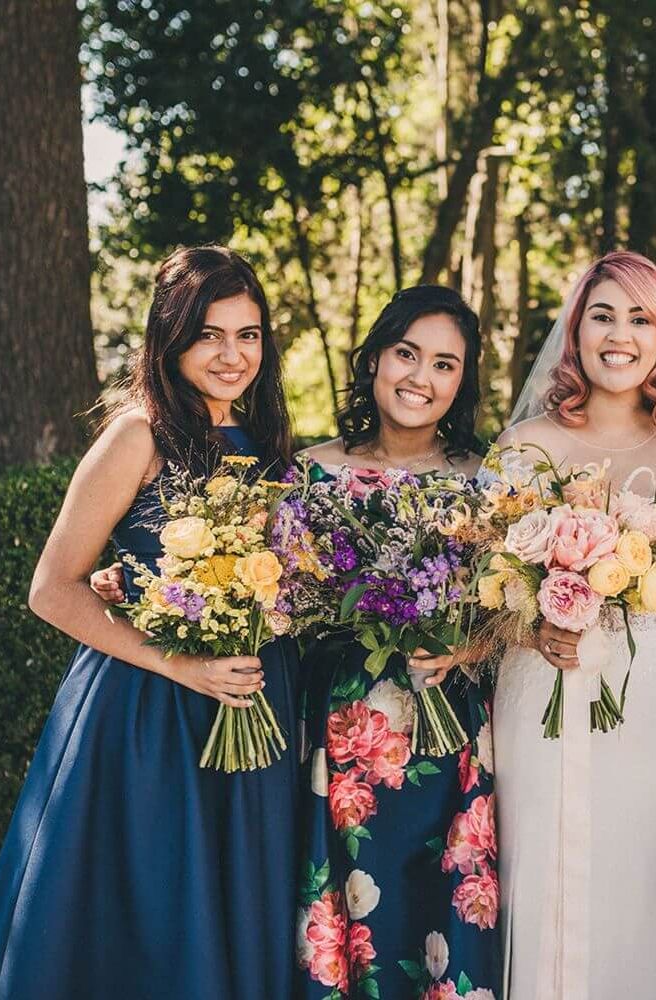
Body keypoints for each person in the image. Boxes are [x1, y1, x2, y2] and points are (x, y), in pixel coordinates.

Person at [0, 245, 300, 1000]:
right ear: (170, 336)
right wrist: (180, 664)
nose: (232, 355)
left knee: (239, 902)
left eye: (249, 335)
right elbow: (51, 589)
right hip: (148, 713)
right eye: (210, 335)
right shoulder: (138, 434)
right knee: (151, 912)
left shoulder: (263, 445)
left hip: (251, 705)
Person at [295, 286, 501, 1000]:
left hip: (452, 734)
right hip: (343, 736)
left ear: (462, 382)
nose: (421, 378)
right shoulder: (310, 472)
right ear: (375, 358)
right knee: (353, 917)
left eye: (445, 365)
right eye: (407, 354)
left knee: (437, 915)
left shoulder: (488, 482)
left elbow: (508, 617)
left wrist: (466, 649)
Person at [492, 250, 656, 1000]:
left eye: (641, 317)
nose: (620, 334)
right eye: (603, 314)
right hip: (546, 690)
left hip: (647, 693)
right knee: (549, 866)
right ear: (576, 331)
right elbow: (483, 594)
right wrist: (533, 628)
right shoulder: (529, 445)